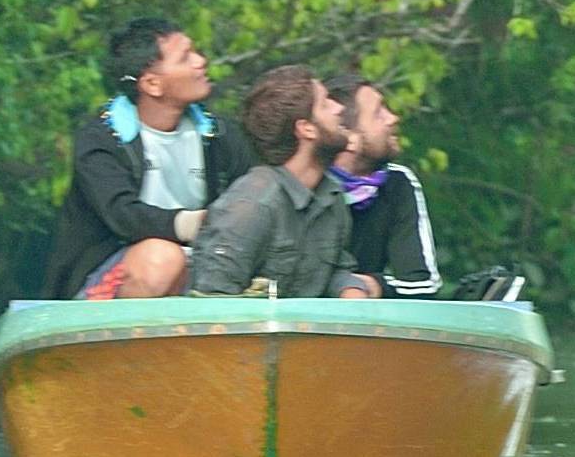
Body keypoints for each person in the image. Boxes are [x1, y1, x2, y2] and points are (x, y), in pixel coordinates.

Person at [39, 15, 242, 302]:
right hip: (115, 271)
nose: (200, 61)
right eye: (185, 58)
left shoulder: (217, 133)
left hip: (199, 264)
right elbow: (124, 216)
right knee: (163, 259)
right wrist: (193, 223)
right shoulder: (101, 138)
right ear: (152, 84)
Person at [183, 67, 373, 301]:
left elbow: (333, 271)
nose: (340, 108)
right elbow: (213, 301)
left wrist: (350, 289)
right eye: (325, 104)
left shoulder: (331, 195)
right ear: (306, 129)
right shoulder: (251, 205)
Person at [334, 78, 445, 299]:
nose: (393, 118)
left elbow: (423, 284)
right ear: (348, 138)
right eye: (378, 113)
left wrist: (373, 286)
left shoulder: (397, 182)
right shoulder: (306, 184)